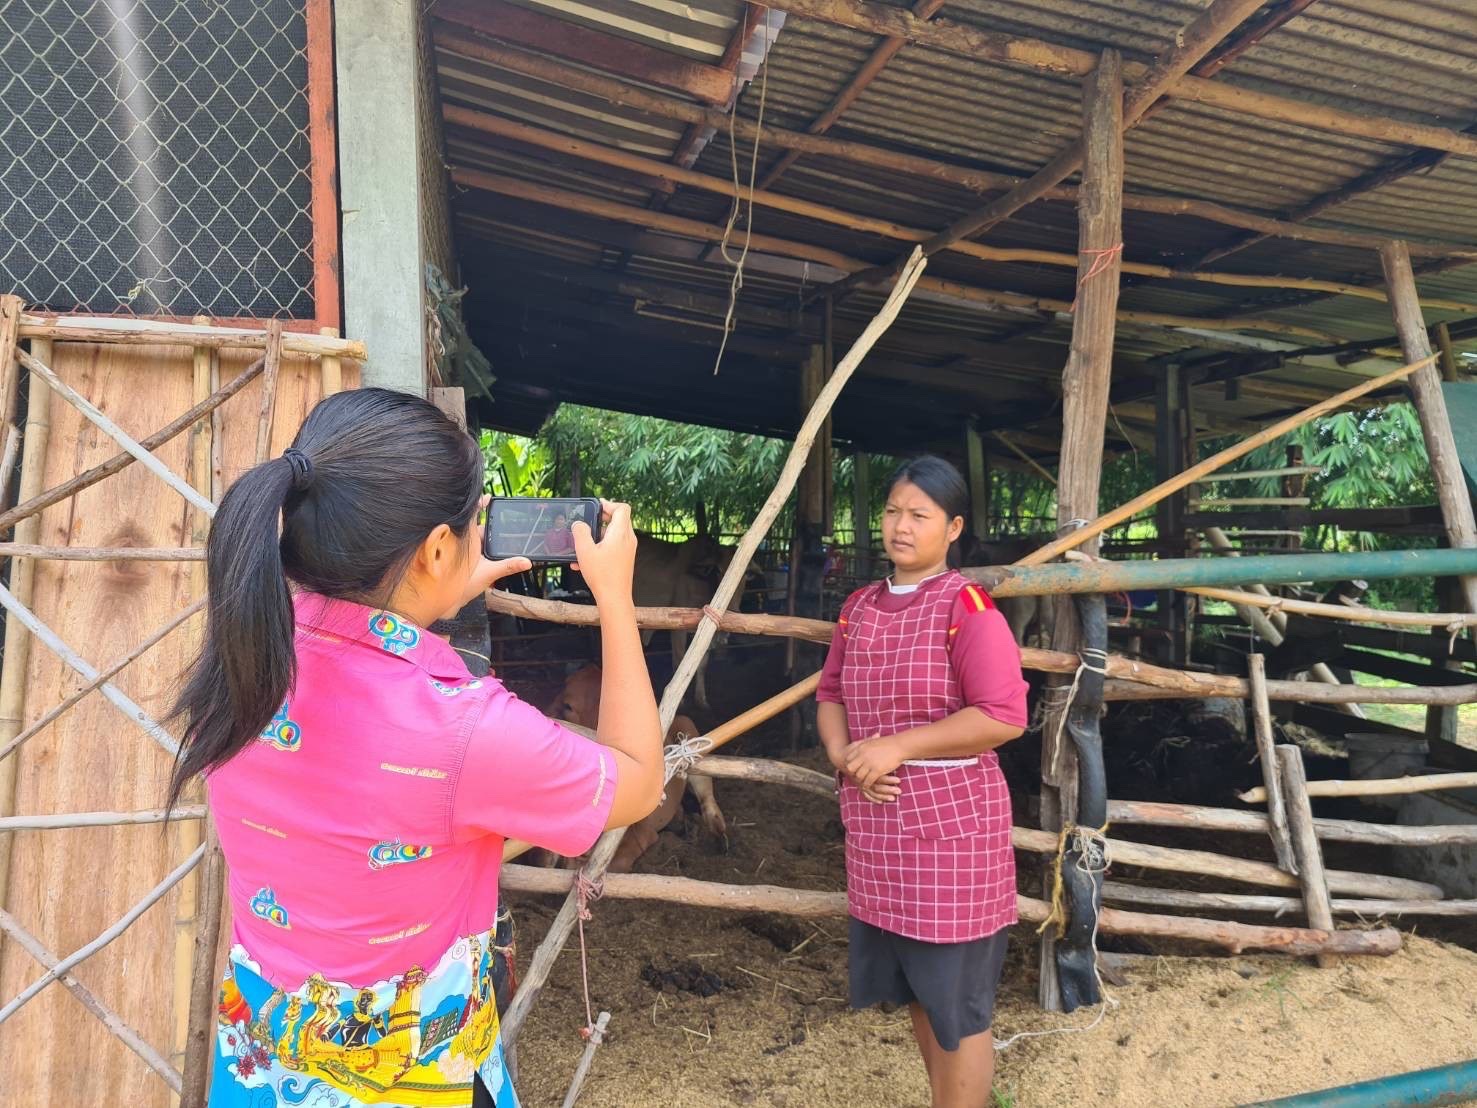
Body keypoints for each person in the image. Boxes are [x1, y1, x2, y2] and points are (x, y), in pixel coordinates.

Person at [167, 388, 664, 1108]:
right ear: (436, 548)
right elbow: (640, 784)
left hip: (265, 1067)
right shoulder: (465, 728)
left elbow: (354, 652)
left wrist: (428, 598)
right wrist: (616, 600)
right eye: (467, 528)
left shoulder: (243, 659)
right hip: (408, 1079)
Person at [816, 455, 1028, 1108]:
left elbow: (1002, 715)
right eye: (891, 512)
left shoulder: (966, 608)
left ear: (952, 526)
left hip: (950, 839)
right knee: (915, 991)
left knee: (956, 1006)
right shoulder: (858, 607)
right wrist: (846, 757)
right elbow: (830, 695)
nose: (899, 527)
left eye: (919, 515)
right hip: (881, 838)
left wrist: (897, 747)